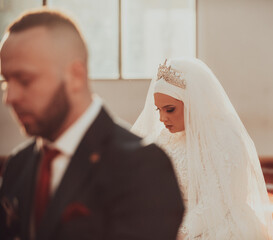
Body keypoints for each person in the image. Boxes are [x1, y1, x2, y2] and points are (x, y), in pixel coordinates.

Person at [0, 9, 184, 240]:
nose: (10, 98)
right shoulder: (19, 164)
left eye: (25, 80)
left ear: (76, 76)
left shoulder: (142, 166)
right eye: (7, 82)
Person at [132, 58, 273, 239]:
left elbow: (219, 201)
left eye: (169, 109)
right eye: (158, 110)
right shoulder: (167, 138)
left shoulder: (224, 138)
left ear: (192, 102)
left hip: (218, 226)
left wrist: (179, 232)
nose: (162, 118)